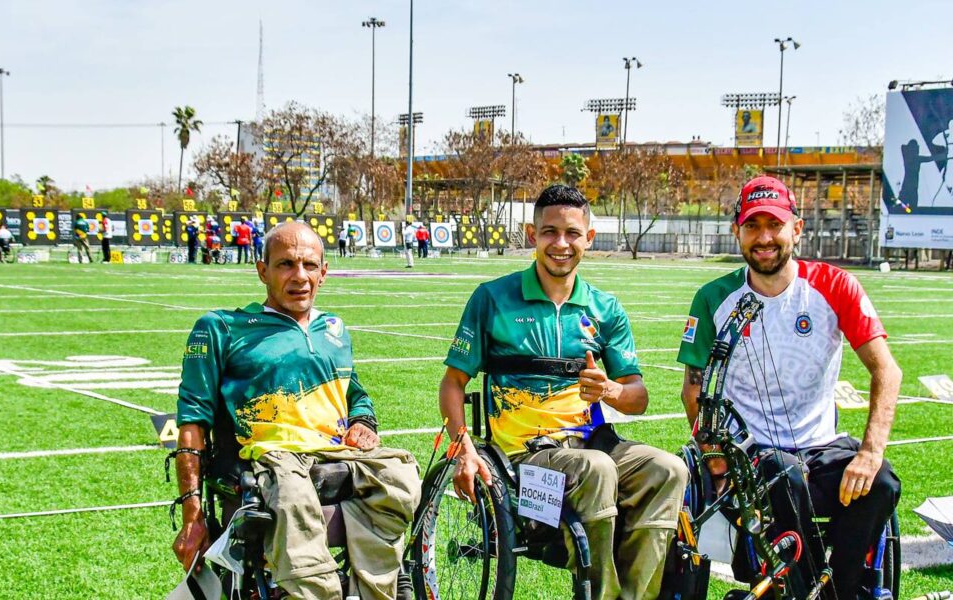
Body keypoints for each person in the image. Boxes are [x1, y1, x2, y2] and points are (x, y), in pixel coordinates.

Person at [441, 184, 687, 600]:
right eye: (549, 231)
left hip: (592, 444)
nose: (561, 243)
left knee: (670, 469)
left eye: (572, 233)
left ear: (588, 239)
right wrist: (461, 446)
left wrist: (609, 389)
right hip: (522, 465)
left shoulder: (605, 308)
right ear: (531, 234)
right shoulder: (493, 299)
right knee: (597, 469)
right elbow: (453, 382)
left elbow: (637, 396)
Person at [677, 175, 902, 600]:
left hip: (822, 445)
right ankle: (819, 592)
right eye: (752, 226)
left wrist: (870, 455)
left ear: (796, 229)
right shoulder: (713, 298)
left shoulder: (836, 286)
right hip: (754, 456)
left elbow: (886, 372)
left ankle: (840, 587)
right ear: (737, 232)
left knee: (884, 484)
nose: (764, 237)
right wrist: (717, 463)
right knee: (784, 475)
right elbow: (694, 391)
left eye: (774, 225)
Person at [172, 222, 420, 600]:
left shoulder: (334, 329)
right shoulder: (222, 328)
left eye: (309, 265)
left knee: (402, 475)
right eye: (286, 264)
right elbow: (192, 421)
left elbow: (355, 391)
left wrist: (363, 421)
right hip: (270, 458)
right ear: (262, 271)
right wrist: (193, 516)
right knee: (291, 496)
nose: (299, 276)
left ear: (324, 272)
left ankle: (377, 587)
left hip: (336, 453)